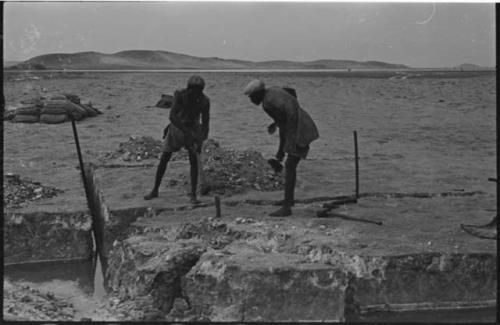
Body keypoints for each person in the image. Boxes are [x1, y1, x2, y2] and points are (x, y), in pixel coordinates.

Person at [244, 79, 319, 217]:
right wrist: (276, 123)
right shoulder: (274, 90)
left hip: (299, 129)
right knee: (291, 165)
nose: (251, 100)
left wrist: (280, 152)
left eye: (251, 97)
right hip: (304, 122)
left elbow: (284, 127)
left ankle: (287, 208)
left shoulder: (267, 104)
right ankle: (288, 201)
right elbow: (290, 99)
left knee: (290, 166)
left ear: (258, 94)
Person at [144, 75, 210, 203]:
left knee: (193, 161)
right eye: (193, 91)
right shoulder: (180, 95)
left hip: (193, 128)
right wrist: (185, 132)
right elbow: (172, 116)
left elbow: (206, 122)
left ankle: (193, 195)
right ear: (188, 89)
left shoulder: (204, 101)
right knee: (165, 158)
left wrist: (201, 138)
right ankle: (155, 190)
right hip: (176, 128)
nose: (196, 95)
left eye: (199, 92)